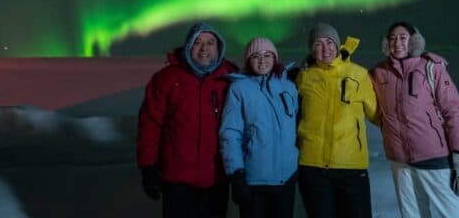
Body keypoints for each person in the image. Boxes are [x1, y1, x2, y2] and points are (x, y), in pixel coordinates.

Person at [369, 21, 459, 218]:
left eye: (402, 38)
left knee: (453, 213)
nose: (397, 43)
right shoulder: (379, 73)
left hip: (433, 157)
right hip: (400, 162)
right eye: (392, 39)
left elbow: (454, 111)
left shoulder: (431, 67)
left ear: (414, 41)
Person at [136, 21, 238, 218]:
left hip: (217, 177)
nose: (204, 49)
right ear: (189, 46)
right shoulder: (166, 79)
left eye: (210, 43)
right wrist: (148, 166)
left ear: (219, 47)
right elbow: (150, 125)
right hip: (177, 178)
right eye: (198, 43)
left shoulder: (230, 79)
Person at [294, 22, 378, 218]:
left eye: (330, 43)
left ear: (338, 45)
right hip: (312, 166)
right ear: (311, 50)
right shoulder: (304, 76)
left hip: (351, 166)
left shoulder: (359, 74)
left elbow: (377, 115)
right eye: (318, 44)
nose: (325, 49)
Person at [219, 37, 299, 218]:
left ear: (275, 58)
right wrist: (236, 174)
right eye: (256, 56)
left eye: (267, 55)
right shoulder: (239, 89)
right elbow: (231, 133)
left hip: (286, 179)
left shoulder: (288, 86)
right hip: (255, 181)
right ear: (248, 60)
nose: (262, 60)